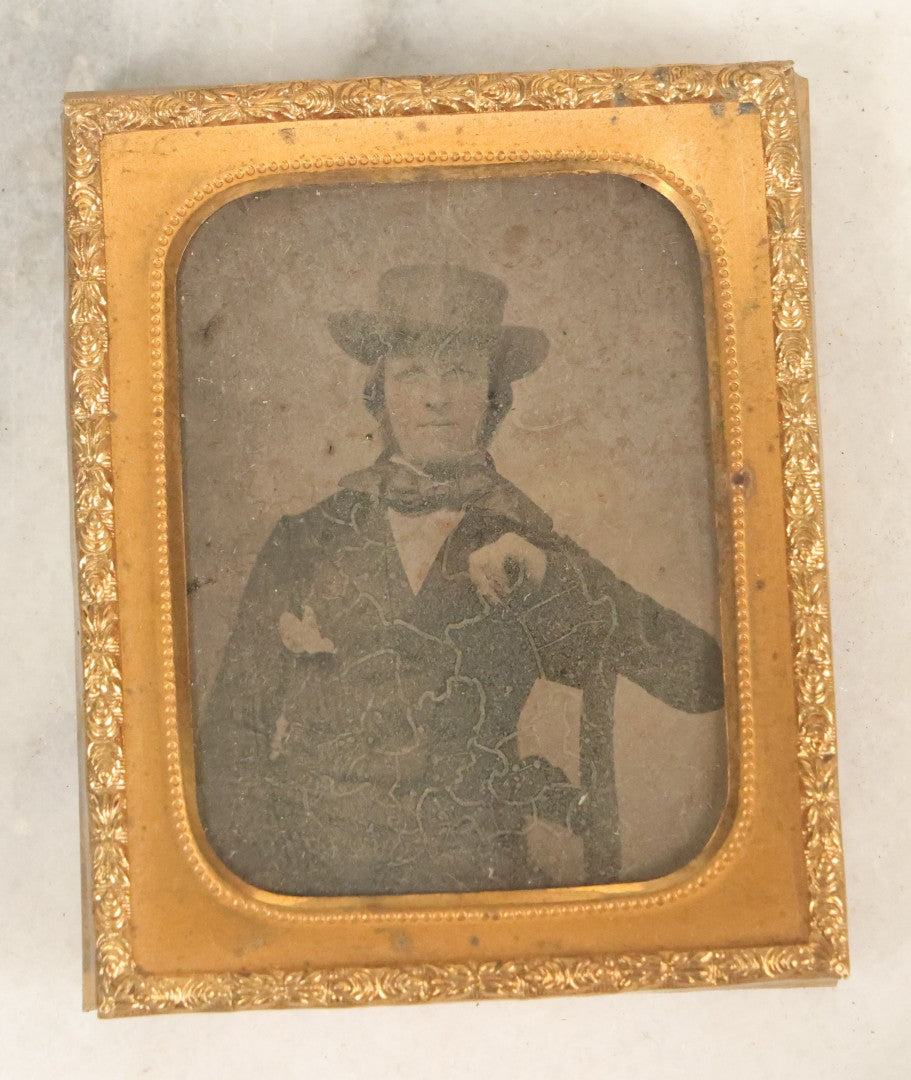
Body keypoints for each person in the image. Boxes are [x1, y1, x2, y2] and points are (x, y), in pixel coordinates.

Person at [195, 264, 724, 897]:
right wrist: (276, 886)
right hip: (311, 873)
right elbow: (231, 737)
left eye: (460, 372)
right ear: (381, 393)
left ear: (494, 395)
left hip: (472, 879)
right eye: (411, 373)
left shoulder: (529, 547)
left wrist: (550, 577)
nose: (434, 397)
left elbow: (701, 677)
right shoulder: (307, 538)